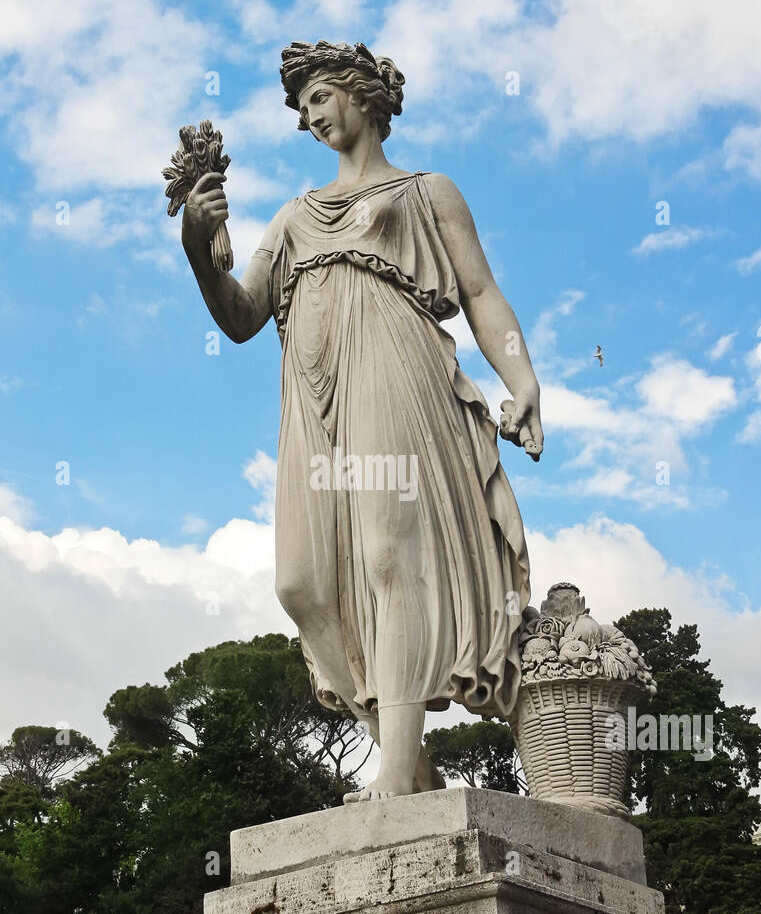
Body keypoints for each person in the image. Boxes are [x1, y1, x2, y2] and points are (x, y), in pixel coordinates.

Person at [182, 40, 544, 801]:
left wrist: (521, 381)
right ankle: (409, 766)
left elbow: (479, 292)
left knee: (389, 555)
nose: (309, 116)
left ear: (361, 95)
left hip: (395, 368)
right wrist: (195, 243)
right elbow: (242, 315)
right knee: (302, 583)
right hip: (312, 394)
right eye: (301, 107)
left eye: (319, 97)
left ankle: (393, 771)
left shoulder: (424, 191)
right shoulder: (292, 215)